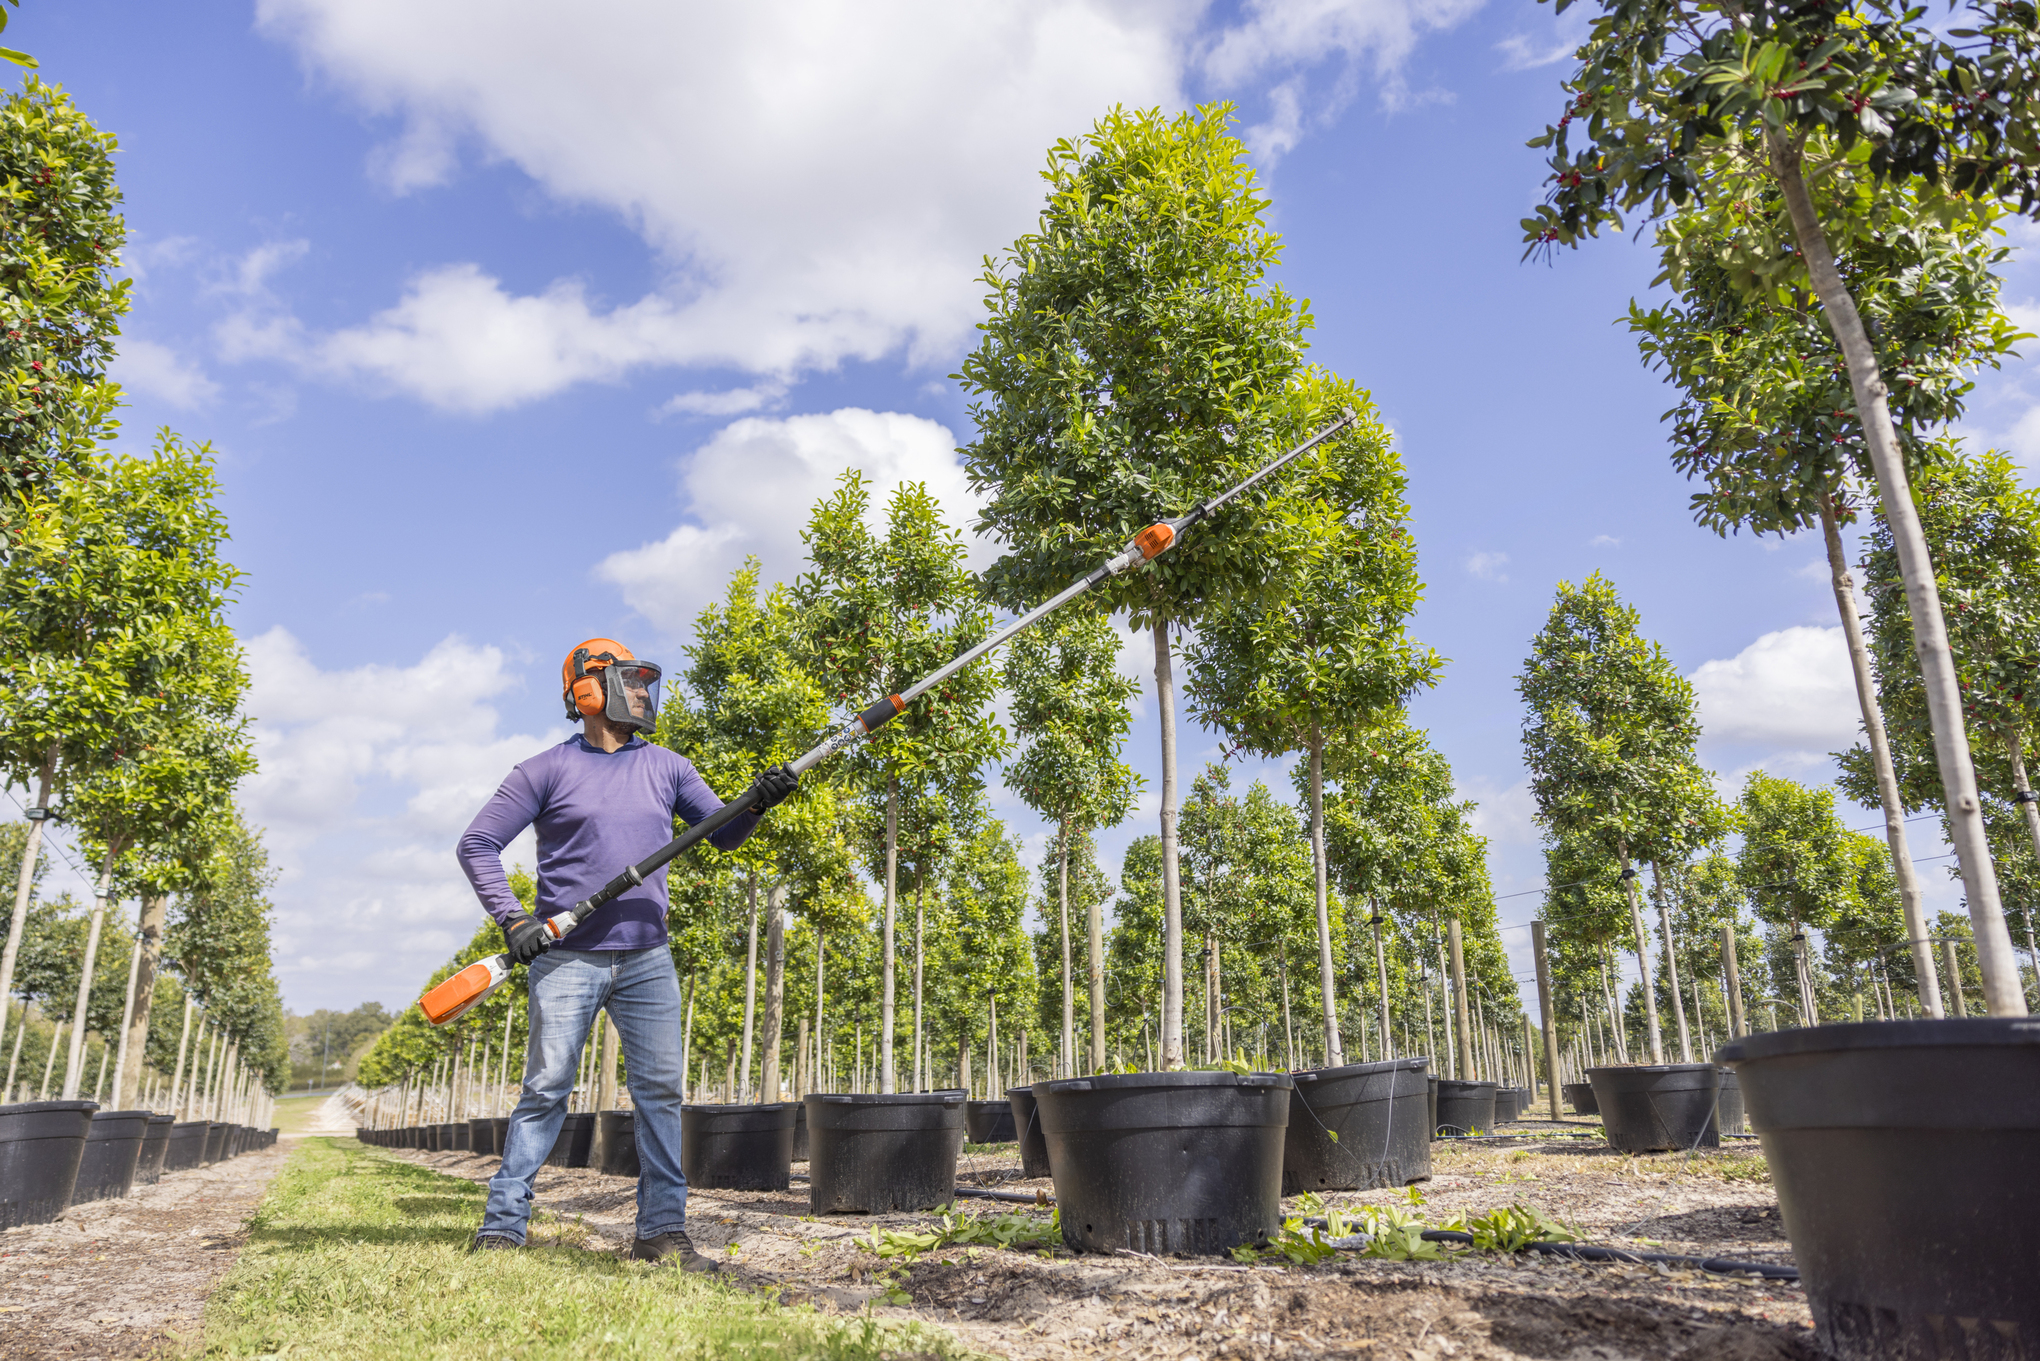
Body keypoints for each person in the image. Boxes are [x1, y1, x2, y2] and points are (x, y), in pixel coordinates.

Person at [456, 637, 796, 1267]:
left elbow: (722, 834)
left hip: (647, 957)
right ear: (586, 692)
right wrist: (512, 921)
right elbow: (477, 844)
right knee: (547, 1088)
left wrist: (758, 802)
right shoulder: (543, 770)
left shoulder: (668, 765)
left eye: (644, 682)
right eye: (629, 681)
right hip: (566, 957)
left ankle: (660, 1232)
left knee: (661, 1092)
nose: (642, 692)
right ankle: (503, 1227)